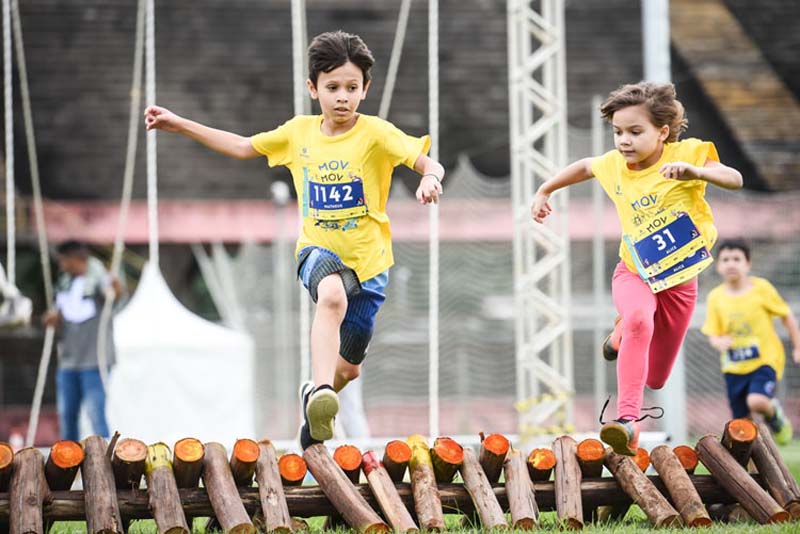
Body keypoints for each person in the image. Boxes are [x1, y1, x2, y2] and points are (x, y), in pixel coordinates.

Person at [144, 30, 444, 449]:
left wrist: (429, 178)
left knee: (349, 370)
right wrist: (179, 124)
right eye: (332, 88)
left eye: (352, 88)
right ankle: (320, 391)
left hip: (370, 265)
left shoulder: (377, 133)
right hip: (317, 252)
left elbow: (428, 162)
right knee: (332, 296)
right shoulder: (298, 133)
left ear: (365, 89)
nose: (342, 97)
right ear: (313, 88)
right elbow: (242, 146)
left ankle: (315, 400)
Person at [530, 82, 742, 455]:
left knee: (656, 378)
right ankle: (628, 422)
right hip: (634, 273)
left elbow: (734, 179)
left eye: (635, 131)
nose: (624, 141)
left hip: (680, 282)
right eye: (618, 132)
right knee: (640, 320)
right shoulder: (614, 165)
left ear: (662, 131)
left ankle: (619, 335)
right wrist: (545, 189)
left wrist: (696, 172)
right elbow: (585, 166)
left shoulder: (686, 154)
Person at [702, 239, 799, 445]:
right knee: (742, 425)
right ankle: (756, 460)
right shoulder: (715, 297)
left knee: (757, 401)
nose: (731, 264)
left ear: (748, 264)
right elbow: (713, 333)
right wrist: (718, 342)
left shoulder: (761, 288)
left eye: (736, 259)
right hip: (734, 366)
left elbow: (787, 316)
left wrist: (798, 347)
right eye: (726, 259)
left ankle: (775, 416)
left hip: (764, 360)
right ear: (718, 265)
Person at [43, 240, 124, 441]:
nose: (62, 266)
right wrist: (54, 319)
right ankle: (67, 456)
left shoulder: (99, 280)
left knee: (96, 414)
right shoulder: (65, 284)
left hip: (94, 361)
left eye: (64, 261)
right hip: (68, 362)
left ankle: (103, 454)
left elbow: (115, 296)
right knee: (67, 416)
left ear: (76, 258)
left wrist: (116, 289)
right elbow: (64, 313)